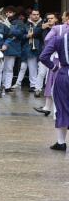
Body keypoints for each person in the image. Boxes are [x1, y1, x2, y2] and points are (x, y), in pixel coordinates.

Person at [43, 19, 69, 150]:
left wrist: (54, 68)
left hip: (64, 73)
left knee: (61, 108)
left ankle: (61, 142)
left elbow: (43, 57)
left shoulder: (58, 39)